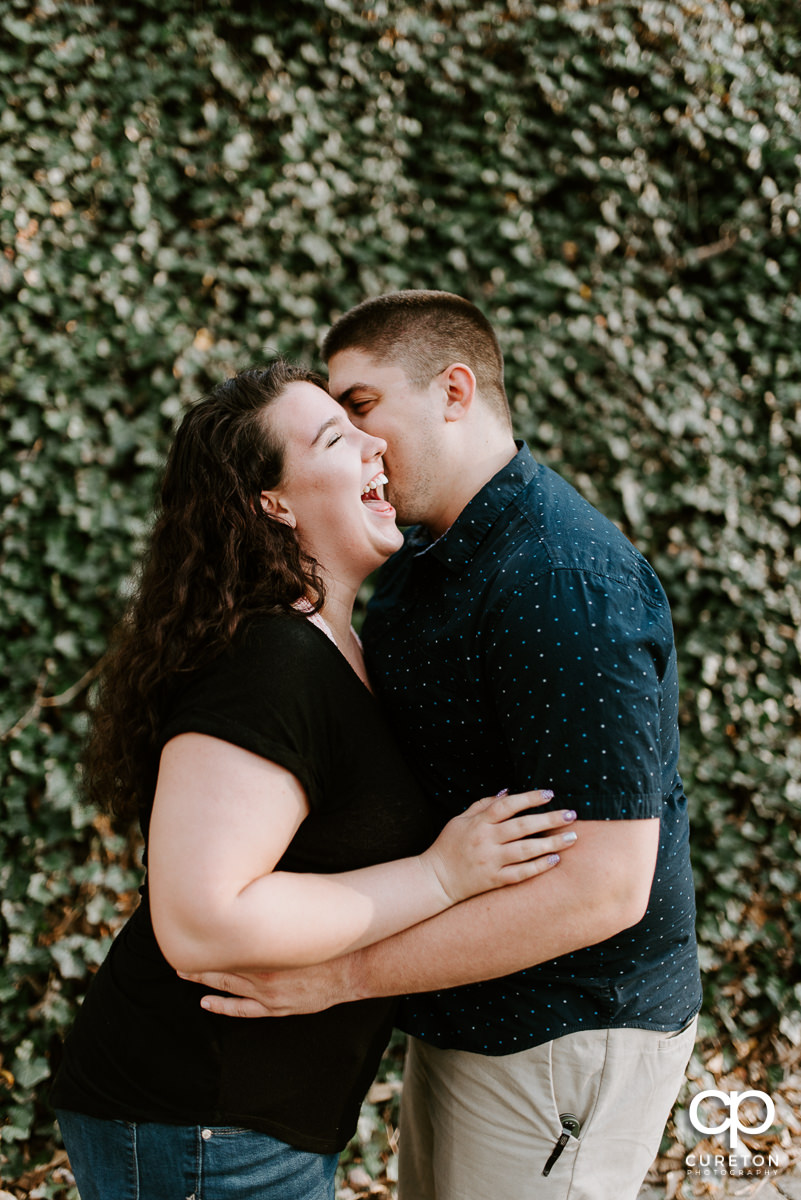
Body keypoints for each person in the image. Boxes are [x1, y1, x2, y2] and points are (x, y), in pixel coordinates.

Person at [187, 293, 703, 1200]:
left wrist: (336, 978)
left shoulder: (561, 579)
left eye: (361, 406)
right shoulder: (427, 556)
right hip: (466, 1011)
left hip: (561, 1030)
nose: (361, 444)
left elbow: (606, 886)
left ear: (454, 390)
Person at [49, 359, 581, 1200]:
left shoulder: (340, 646)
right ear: (274, 503)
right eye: (336, 435)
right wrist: (440, 875)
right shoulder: (268, 659)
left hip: (241, 1124)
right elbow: (201, 919)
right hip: (199, 1126)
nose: (375, 442)